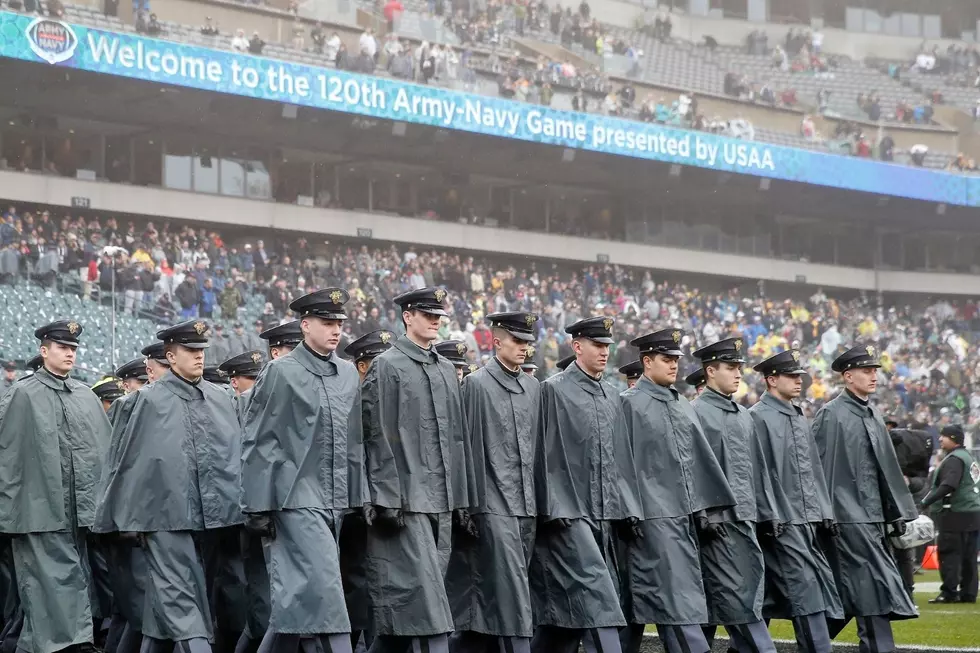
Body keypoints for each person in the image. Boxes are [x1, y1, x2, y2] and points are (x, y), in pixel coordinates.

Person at [94, 320, 246, 653]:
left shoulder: (221, 399)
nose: (199, 357)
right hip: (164, 518)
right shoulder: (143, 402)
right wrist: (119, 518)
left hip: (214, 522)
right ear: (170, 356)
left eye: (201, 351)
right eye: (190, 351)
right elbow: (122, 462)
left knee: (173, 611)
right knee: (184, 606)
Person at [242, 288, 365, 653]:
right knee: (326, 593)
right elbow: (260, 441)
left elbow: (355, 441)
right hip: (294, 499)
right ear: (305, 324)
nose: (336, 331)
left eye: (340, 324)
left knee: (300, 602)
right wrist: (257, 504)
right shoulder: (280, 372)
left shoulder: (347, 374)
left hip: (336, 502)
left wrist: (360, 498)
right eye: (327, 323)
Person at [360, 287, 471, 653]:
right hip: (407, 502)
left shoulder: (443, 368)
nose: (436, 321)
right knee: (428, 610)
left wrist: (462, 499)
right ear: (408, 316)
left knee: (411, 613)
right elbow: (376, 434)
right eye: (428, 314)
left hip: (440, 501)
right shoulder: (387, 365)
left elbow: (457, 439)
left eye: (439, 315)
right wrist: (385, 496)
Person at [618, 328, 734, 653]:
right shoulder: (628, 404)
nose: (674, 366)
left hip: (682, 521)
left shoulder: (682, 404)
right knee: (669, 606)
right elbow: (619, 463)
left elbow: (699, 462)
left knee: (655, 608)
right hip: (648, 521)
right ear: (646, 361)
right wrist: (629, 511)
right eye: (666, 359)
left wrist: (706, 510)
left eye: (676, 360)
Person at [530, 316, 640, 653]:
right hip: (569, 518)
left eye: (607, 346)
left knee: (564, 624)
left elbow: (621, 458)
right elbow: (540, 453)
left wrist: (628, 508)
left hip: (605, 518)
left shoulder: (612, 395)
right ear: (577, 346)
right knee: (600, 607)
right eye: (597, 345)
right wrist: (554, 506)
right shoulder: (553, 389)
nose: (605, 352)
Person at [0, 319, 111, 653]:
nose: (70, 354)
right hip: (37, 509)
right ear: (43, 350)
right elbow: (7, 454)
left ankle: (61, 643)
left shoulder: (84, 396)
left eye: (74, 349)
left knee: (70, 580)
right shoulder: (22, 393)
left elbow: (103, 453)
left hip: (78, 512)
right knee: (49, 583)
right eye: (63, 347)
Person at [812, 344, 918, 653]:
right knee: (871, 588)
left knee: (855, 591)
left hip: (872, 518)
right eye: (866, 371)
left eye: (875, 371)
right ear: (847, 376)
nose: (873, 376)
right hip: (846, 518)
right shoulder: (831, 415)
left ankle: (813, 642)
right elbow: (819, 469)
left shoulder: (872, 413)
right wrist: (827, 514)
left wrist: (896, 513)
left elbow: (887, 470)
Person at [446, 312, 540, 653]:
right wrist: (466, 506)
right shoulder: (476, 384)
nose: (523, 348)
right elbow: (465, 447)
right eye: (517, 340)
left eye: (527, 342)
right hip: (491, 506)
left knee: (487, 607)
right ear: (497, 341)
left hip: (526, 509)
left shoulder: (533, 388)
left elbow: (538, 451)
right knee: (511, 601)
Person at [748, 350, 841, 653]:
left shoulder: (799, 416)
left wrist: (823, 511)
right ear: (771, 379)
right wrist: (769, 514)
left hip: (806, 520)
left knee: (775, 594)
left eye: (799, 376)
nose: (798, 381)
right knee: (805, 590)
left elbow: (813, 469)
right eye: (791, 376)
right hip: (780, 522)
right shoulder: (758, 417)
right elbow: (757, 473)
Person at [690, 338, 779, 653]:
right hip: (717, 525)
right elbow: (691, 469)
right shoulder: (695, 413)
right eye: (730, 368)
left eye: (739, 367)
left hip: (747, 521)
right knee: (736, 599)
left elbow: (759, 470)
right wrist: (703, 513)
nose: (738, 374)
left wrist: (767, 513)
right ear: (711, 371)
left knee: (734, 599)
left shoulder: (744, 415)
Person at [340, 330, 394, 652]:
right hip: (353, 507)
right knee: (354, 581)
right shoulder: (348, 400)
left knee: (379, 584)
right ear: (362, 366)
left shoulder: (388, 402)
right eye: (377, 363)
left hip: (383, 503)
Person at [921, 424, 980, 604]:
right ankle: (969, 593)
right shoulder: (969, 456)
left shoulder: (954, 459)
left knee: (950, 554)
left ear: (953, 438)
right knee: (969, 556)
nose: (940, 439)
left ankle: (949, 592)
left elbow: (949, 485)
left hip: (955, 514)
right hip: (973, 513)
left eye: (943, 436)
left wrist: (926, 501)